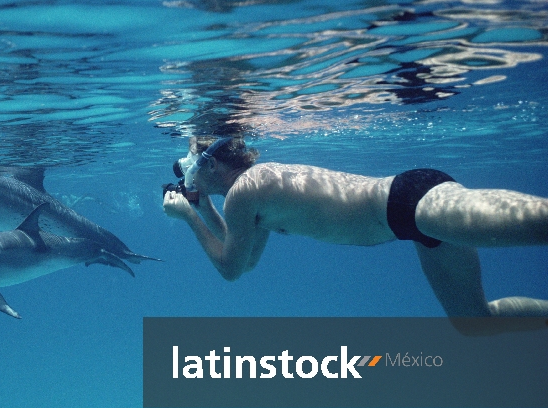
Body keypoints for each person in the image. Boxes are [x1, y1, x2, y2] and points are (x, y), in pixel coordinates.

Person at [162, 135, 548, 335]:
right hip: (410, 221)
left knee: (538, 224)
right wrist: (201, 208)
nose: (189, 176)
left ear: (209, 163)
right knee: (474, 321)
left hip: (409, 203)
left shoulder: (245, 191)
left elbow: (230, 271)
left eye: (190, 165)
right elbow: (245, 261)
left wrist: (188, 219)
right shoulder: (247, 197)